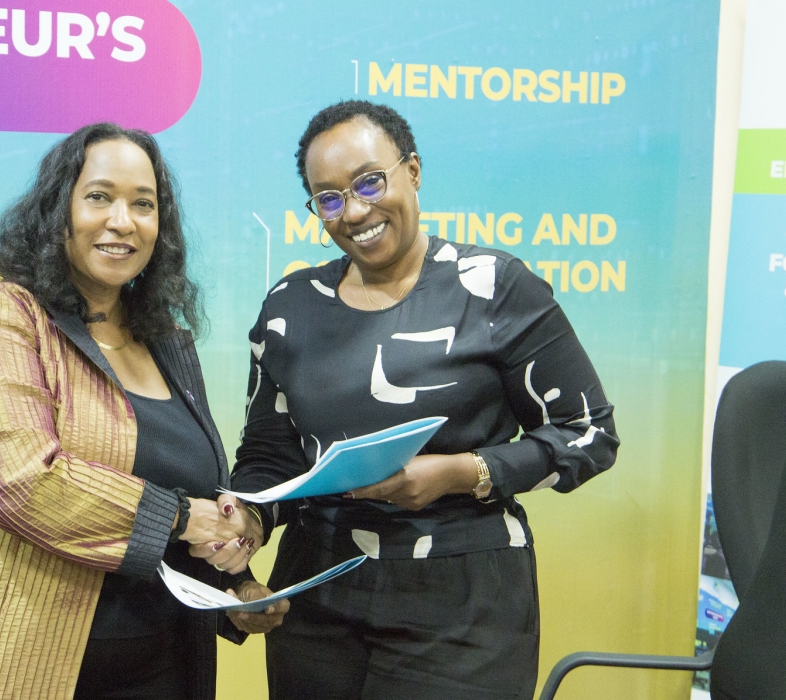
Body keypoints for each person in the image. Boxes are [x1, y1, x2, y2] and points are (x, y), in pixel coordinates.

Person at [224, 101, 620, 699]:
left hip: (464, 604)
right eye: (327, 197)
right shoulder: (290, 305)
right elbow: (270, 456)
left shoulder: (494, 286)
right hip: (316, 599)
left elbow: (589, 433)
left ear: (412, 171)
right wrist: (249, 523)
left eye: (369, 182)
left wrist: (467, 472)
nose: (353, 210)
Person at [0, 123, 283, 700]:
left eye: (143, 204)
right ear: (58, 211)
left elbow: (189, 486)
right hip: (13, 669)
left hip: (164, 666)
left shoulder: (167, 342)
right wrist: (180, 518)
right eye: (99, 196)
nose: (123, 220)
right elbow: (23, 483)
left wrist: (235, 587)